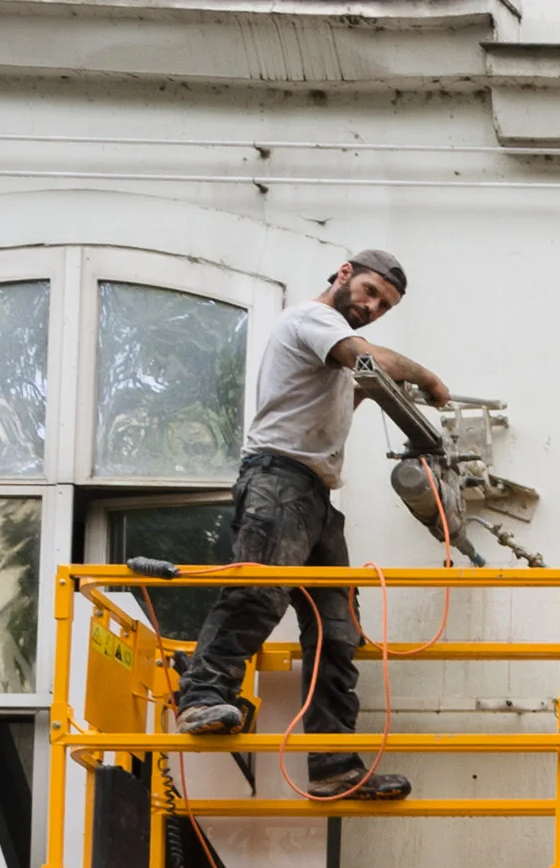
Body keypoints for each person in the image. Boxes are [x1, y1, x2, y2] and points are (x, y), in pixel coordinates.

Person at [173, 250, 450, 801]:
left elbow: (362, 380)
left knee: (336, 629)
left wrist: (414, 417)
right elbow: (367, 359)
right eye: (370, 292)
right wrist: (426, 377)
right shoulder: (313, 320)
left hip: (313, 495)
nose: (372, 307)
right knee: (259, 593)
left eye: (384, 306)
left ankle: (332, 762)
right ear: (344, 273)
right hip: (277, 480)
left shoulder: (337, 355)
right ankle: (202, 695)